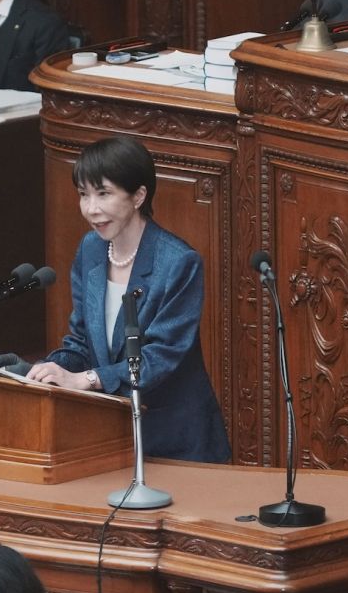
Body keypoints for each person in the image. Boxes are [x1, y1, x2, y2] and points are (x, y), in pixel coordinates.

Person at [20, 135, 231, 464]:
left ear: (138, 196)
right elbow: (81, 343)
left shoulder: (178, 262)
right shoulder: (90, 250)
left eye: (104, 193)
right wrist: (39, 373)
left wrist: (86, 379)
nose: (91, 209)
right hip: (111, 437)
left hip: (175, 442)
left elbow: (160, 357)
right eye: (83, 195)